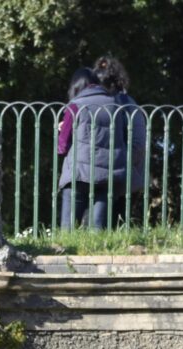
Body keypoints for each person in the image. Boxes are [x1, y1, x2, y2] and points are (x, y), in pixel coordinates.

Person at [57, 67, 119, 230]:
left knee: (68, 229)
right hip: (108, 172)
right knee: (97, 227)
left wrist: (61, 129)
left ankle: (68, 251)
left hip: (78, 173)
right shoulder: (114, 104)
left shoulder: (75, 105)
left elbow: (62, 145)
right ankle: (96, 252)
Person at [92, 55, 147, 216]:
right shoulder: (127, 103)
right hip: (111, 175)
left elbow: (137, 143)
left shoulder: (125, 103)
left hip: (117, 176)